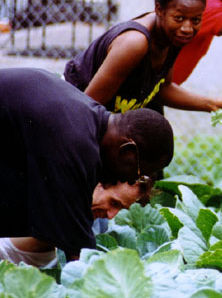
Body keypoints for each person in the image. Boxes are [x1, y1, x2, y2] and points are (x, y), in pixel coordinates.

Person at [0, 67, 174, 261]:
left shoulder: (86, 120)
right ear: (127, 152)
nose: (128, 179)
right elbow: (80, 254)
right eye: (136, 173)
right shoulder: (77, 144)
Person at [63, 0, 222, 120]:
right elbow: (88, 108)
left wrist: (213, 104)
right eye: (179, 18)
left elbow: (162, 89)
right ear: (159, 9)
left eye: (196, 20)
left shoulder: (172, 36)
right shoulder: (135, 43)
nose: (187, 28)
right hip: (71, 114)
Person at [0, 178, 153, 268]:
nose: (112, 215)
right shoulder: (58, 194)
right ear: (98, 181)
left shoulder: (97, 223)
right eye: (113, 202)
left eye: (120, 208)